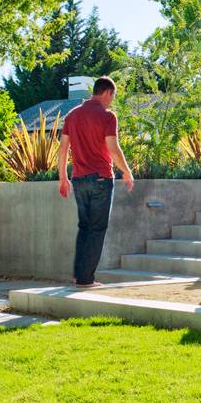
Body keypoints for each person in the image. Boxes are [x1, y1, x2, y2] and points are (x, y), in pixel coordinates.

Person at [56, 76, 134, 287]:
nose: (111, 101)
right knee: (97, 229)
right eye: (112, 96)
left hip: (78, 179)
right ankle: (85, 279)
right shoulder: (108, 116)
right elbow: (113, 148)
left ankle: (78, 275)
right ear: (107, 92)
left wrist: (63, 178)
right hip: (101, 179)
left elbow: (63, 148)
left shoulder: (72, 115)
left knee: (85, 227)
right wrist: (126, 171)